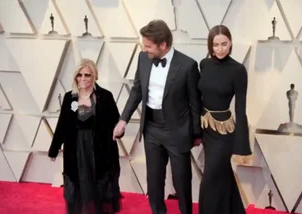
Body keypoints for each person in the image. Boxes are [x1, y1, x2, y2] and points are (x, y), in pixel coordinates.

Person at [113, 19, 202, 214]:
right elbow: (137, 91)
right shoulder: (143, 58)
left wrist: (196, 134)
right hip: (151, 128)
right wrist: (123, 119)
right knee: (153, 181)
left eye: (148, 46)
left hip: (177, 131)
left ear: (163, 45)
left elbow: (195, 103)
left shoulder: (188, 66)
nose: (144, 49)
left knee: (181, 182)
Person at [48, 58, 123, 214]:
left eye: (87, 75)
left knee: (99, 180)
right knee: (79, 180)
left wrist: (119, 131)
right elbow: (62, 124)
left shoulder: (105, 96)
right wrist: (54, 149)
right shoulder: (70, 97)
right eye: (79, 75)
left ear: (94, 76)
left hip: (99, 147)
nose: (82, 79)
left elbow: (116, 122)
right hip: (76, 148)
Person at [198, 25, 252, 214]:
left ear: (230, 44)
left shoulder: (238, 70)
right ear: (210, 46)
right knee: (222, 175)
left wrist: (241, 145)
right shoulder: (203, 65)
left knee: (210, 177)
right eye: (216, 45)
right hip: (206, 128)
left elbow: (240, 108)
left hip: (224, 133)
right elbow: (198, 97)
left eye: (224, 44)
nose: (220, 49)